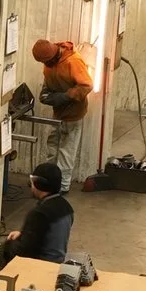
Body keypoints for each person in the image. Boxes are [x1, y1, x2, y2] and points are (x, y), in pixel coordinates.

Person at [0, 162, 73, 273]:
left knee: (8, 247)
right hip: (57, 264)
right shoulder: (66, 207)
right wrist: (23, 235)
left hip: (40, 268)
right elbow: (48, 235)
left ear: (39, 184)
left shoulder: (39, 214)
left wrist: (9, 246)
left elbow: (24, 251)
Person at [31, 38, 94, 184]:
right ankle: (49, 180)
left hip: (73, 114)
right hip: (58, 113)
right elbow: (49, 80)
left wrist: (66, 96)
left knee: (67, 151)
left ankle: (62, 184)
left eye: (45, 62)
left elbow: (86, 85)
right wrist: (46, 93)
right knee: (52, 147)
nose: (44, 65)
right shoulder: (50, 64)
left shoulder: (73, 61)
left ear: (53, 57)